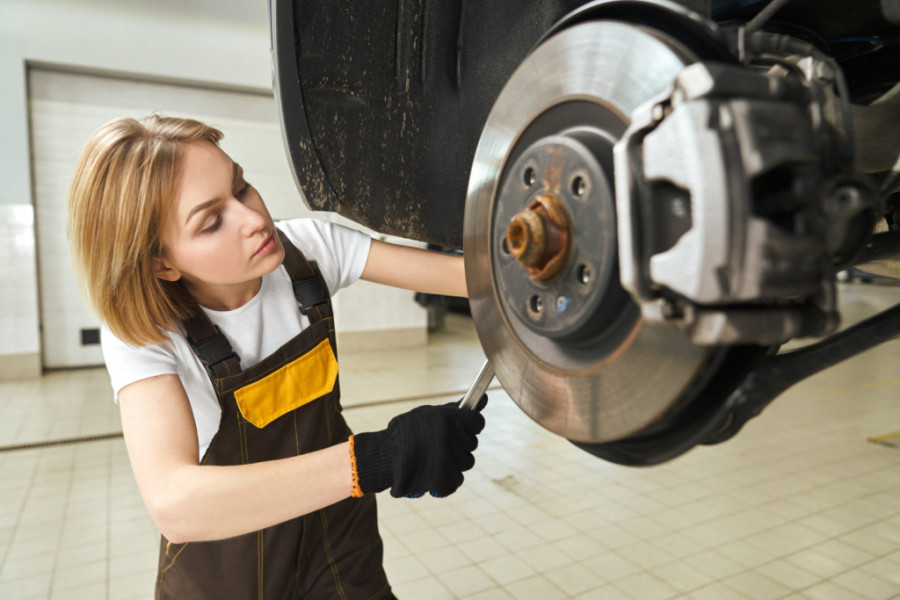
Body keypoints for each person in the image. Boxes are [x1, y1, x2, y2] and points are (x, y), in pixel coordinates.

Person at [67, 114, 487, 599]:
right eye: (211, 222)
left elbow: (475, 280)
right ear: (162, 263)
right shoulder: (143, 331)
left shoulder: (305, 253)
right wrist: (375, 459)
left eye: (241, 187)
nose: (254, 220)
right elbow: (174, 504)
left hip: (338, 539)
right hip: (227, 562)